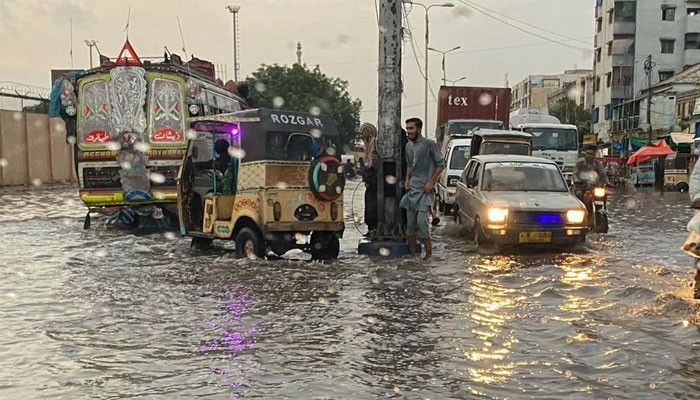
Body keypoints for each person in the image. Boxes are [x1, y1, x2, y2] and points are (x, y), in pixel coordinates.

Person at [399, 117, 445, 261]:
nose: (409, 132)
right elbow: (410, 166)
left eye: (411, 129)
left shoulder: (430, 145)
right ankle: (413, 257)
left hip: (425, 191)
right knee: (410, 225)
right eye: (407, 129)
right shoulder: (408, 146)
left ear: (419, 129)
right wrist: (407, 180)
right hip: (412, 189)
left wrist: (431, 182)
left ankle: (429, 255)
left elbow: (441, 165)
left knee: (422, 223)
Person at [359, 123, 378, 233]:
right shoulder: (366, 147)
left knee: (373, 207)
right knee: (369, 207)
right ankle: (371, 228)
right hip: (369, 183)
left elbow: (373, 164)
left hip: (375, 182)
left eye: (366, 136)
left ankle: (374, 229)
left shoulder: (375, 144)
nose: (363, 138)